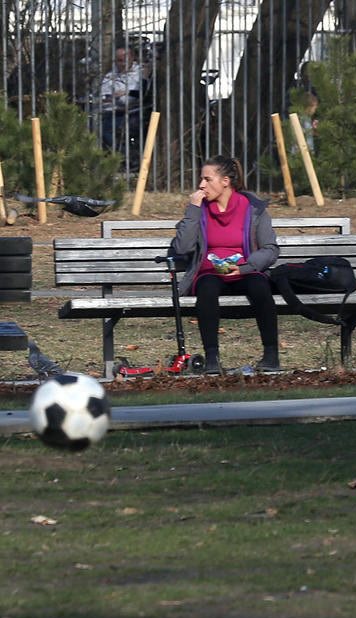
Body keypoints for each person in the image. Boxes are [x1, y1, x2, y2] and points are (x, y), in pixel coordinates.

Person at [170, 156, 281, 374]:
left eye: (207, 179)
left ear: (225, 181)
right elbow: (182, 248)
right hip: (210, 272)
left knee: (260, 286)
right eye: (201, 179)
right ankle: (212, 358)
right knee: (207, 290)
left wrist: (246, 267)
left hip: (245, 269)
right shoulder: (199, 210)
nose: (201, 185)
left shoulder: (254, 209)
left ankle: (271, 355)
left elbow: (270, 249)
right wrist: (192, 209)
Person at [100, 46, 145, 160]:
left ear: (133, 58)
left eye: (126, 59)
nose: (123, 64)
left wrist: (124, 95)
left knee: (103, 130)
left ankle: (129, 157)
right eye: (120, 60)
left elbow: (135, 97)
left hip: (132, 114)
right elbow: (103, 93)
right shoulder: (111, 75)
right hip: (109, 111)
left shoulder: (140, 74)